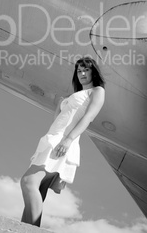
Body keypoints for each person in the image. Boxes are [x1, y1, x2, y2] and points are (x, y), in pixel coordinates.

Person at [20, 57, 105, 226]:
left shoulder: (97, 91)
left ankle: (30, 230)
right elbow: (58, 121)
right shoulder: (72, 95)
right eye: (79, 70)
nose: (82, 73)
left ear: (93, 72)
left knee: (28, 182)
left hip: (62, 142)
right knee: (39, 190)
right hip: (52, 138)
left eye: (86, 70)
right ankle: (22, 228)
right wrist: (60, 105)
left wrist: (68, 140)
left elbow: (88, 118)